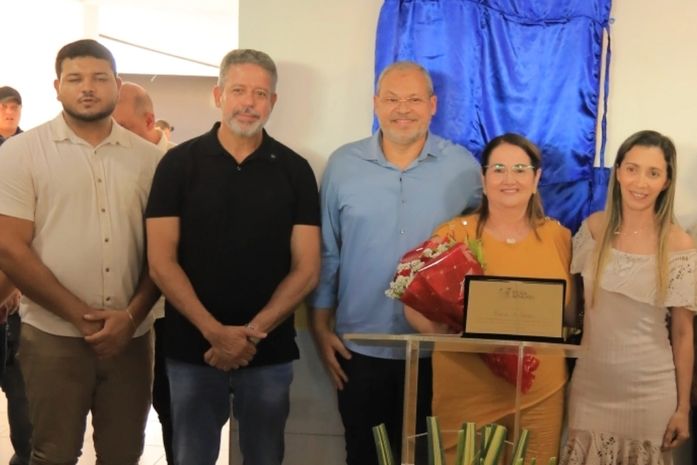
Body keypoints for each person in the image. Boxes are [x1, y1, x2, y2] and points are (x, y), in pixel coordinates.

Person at [145, 48, 320, 465]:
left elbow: (307, 268)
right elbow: (161, 261)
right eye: (238, 90)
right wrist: (215, 333)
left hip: (268, 351)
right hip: (192, 348)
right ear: (218, 95)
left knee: (265, 457)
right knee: (191, 458)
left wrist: (251, 334)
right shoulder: (177, 165)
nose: (249, 103)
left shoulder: (295, 170)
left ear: (273, 101)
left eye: (260, 93)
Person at [0, 39, 162, 465]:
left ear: (117, 85)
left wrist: (131, 317)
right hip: (52, 336)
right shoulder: (21, 153)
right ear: (57, 87)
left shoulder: (150, 160)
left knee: (123, 454)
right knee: (52, 454)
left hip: (131, 338)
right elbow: (10, 248)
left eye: (99, 78)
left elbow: (162, 251)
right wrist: (78, 315)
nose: (87, 87)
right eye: (75, 79)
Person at [311, 60, 482, 465]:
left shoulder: (464, 167)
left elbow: (481, 251)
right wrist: (319, 327)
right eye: (391, 99)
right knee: (364, 456)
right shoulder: (343, 165)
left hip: (437, 352)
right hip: (360, 347)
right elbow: (328, 251)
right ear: (375, 104)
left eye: (414, 100)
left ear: (433, 105)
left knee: (428, 458)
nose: (402, 109)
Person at [404, 133, 571, 462]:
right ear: (483, 178)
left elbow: (570, 313)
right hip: (466, 391)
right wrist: (443, 335)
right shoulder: (453, 234)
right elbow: (414, 303)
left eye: (520, 169)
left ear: (536, 178)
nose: (509, 179)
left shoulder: (559, 237)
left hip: (540, 395)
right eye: (498, 169)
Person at [561, 130, 695, 464]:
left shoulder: (679, 244)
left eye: (653, 173)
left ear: (666, 181)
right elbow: (572, 310)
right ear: (618, 171)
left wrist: (682, 408)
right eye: (632, 169)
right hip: (590, 387)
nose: (640, 182)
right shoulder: (593, 229)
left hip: (650, 394)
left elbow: (683, 334)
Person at [112, 81, 174, 465]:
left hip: (168, 311)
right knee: (121, 414)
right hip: (119, 311)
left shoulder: (181, 164)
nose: (114, 136)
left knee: (170, 407)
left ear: (150, 121)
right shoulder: (107, 164)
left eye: (122, 127)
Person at [0, 85, 32, 465]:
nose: (10, 112)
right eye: (4, 107)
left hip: (20, 292)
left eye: (15, 107)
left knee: (22, 387)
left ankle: (25, 457)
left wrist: (14, 283)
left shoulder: (29, 151)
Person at [113, 82, 175, 152]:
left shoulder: (181, 157)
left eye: (122, 128)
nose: (113, 137)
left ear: (149, 122)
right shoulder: (110, 154)